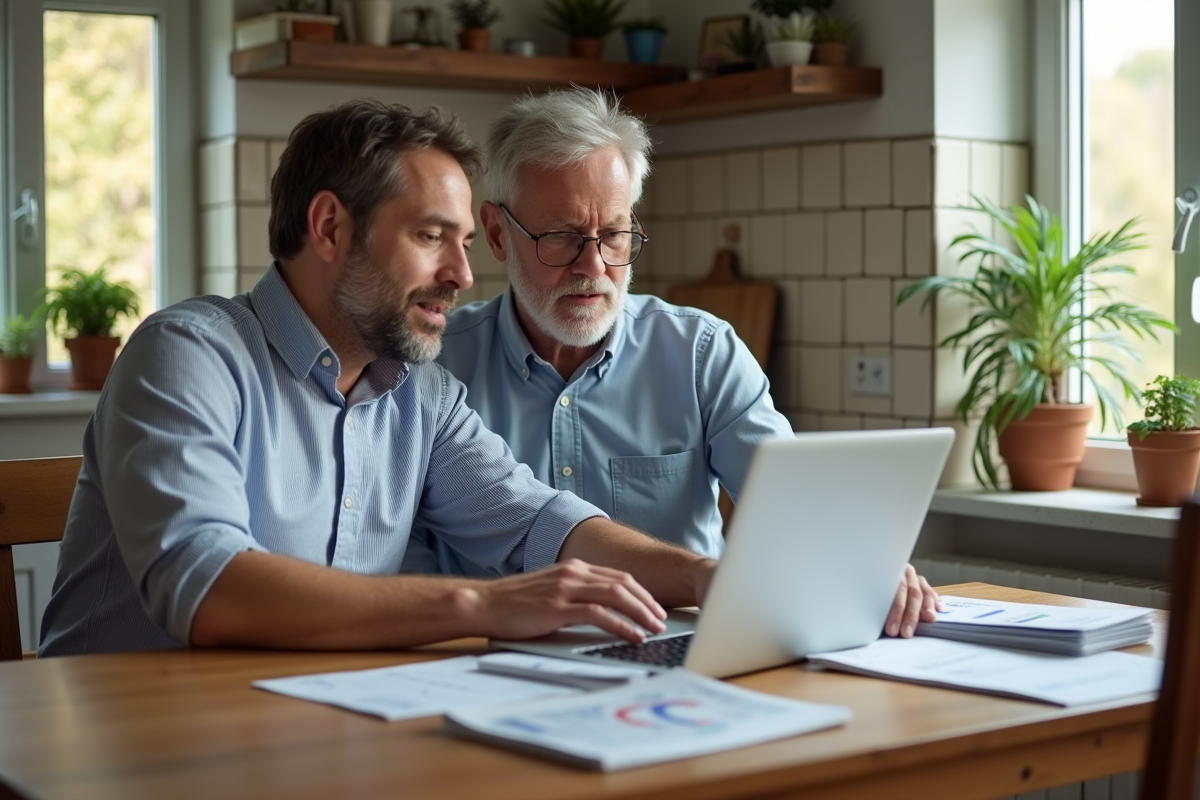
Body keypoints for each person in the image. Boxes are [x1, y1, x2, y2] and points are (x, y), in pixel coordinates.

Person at [38, 99, 720, 657]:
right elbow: (208, 589)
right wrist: (479, 604)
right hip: (130, 742)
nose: (462, 274)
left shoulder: (423, 394)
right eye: (430, 236)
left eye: (463, 242)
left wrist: (703, 577)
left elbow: (540, 523)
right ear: (330, 227)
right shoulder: (188, 355)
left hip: (310, 729)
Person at [402, 88, 938, 640]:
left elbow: (793, 509)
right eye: (561, 237)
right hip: (486, 661)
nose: (594, 266)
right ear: (497, 233)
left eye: (614, 234)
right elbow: (406, 567)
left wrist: (855, 556)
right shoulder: (430, 369)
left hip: (682, 649)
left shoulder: (702, 354)